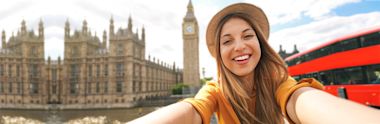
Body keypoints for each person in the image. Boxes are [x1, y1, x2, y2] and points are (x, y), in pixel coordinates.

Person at [129, 3, 380, 124]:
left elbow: (301, 99)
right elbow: (192, 110)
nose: (239, 46)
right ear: (219, 52)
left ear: (261, 43)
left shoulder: (278, 82)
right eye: (227, 41)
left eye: (248, 36)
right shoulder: (215, 90)